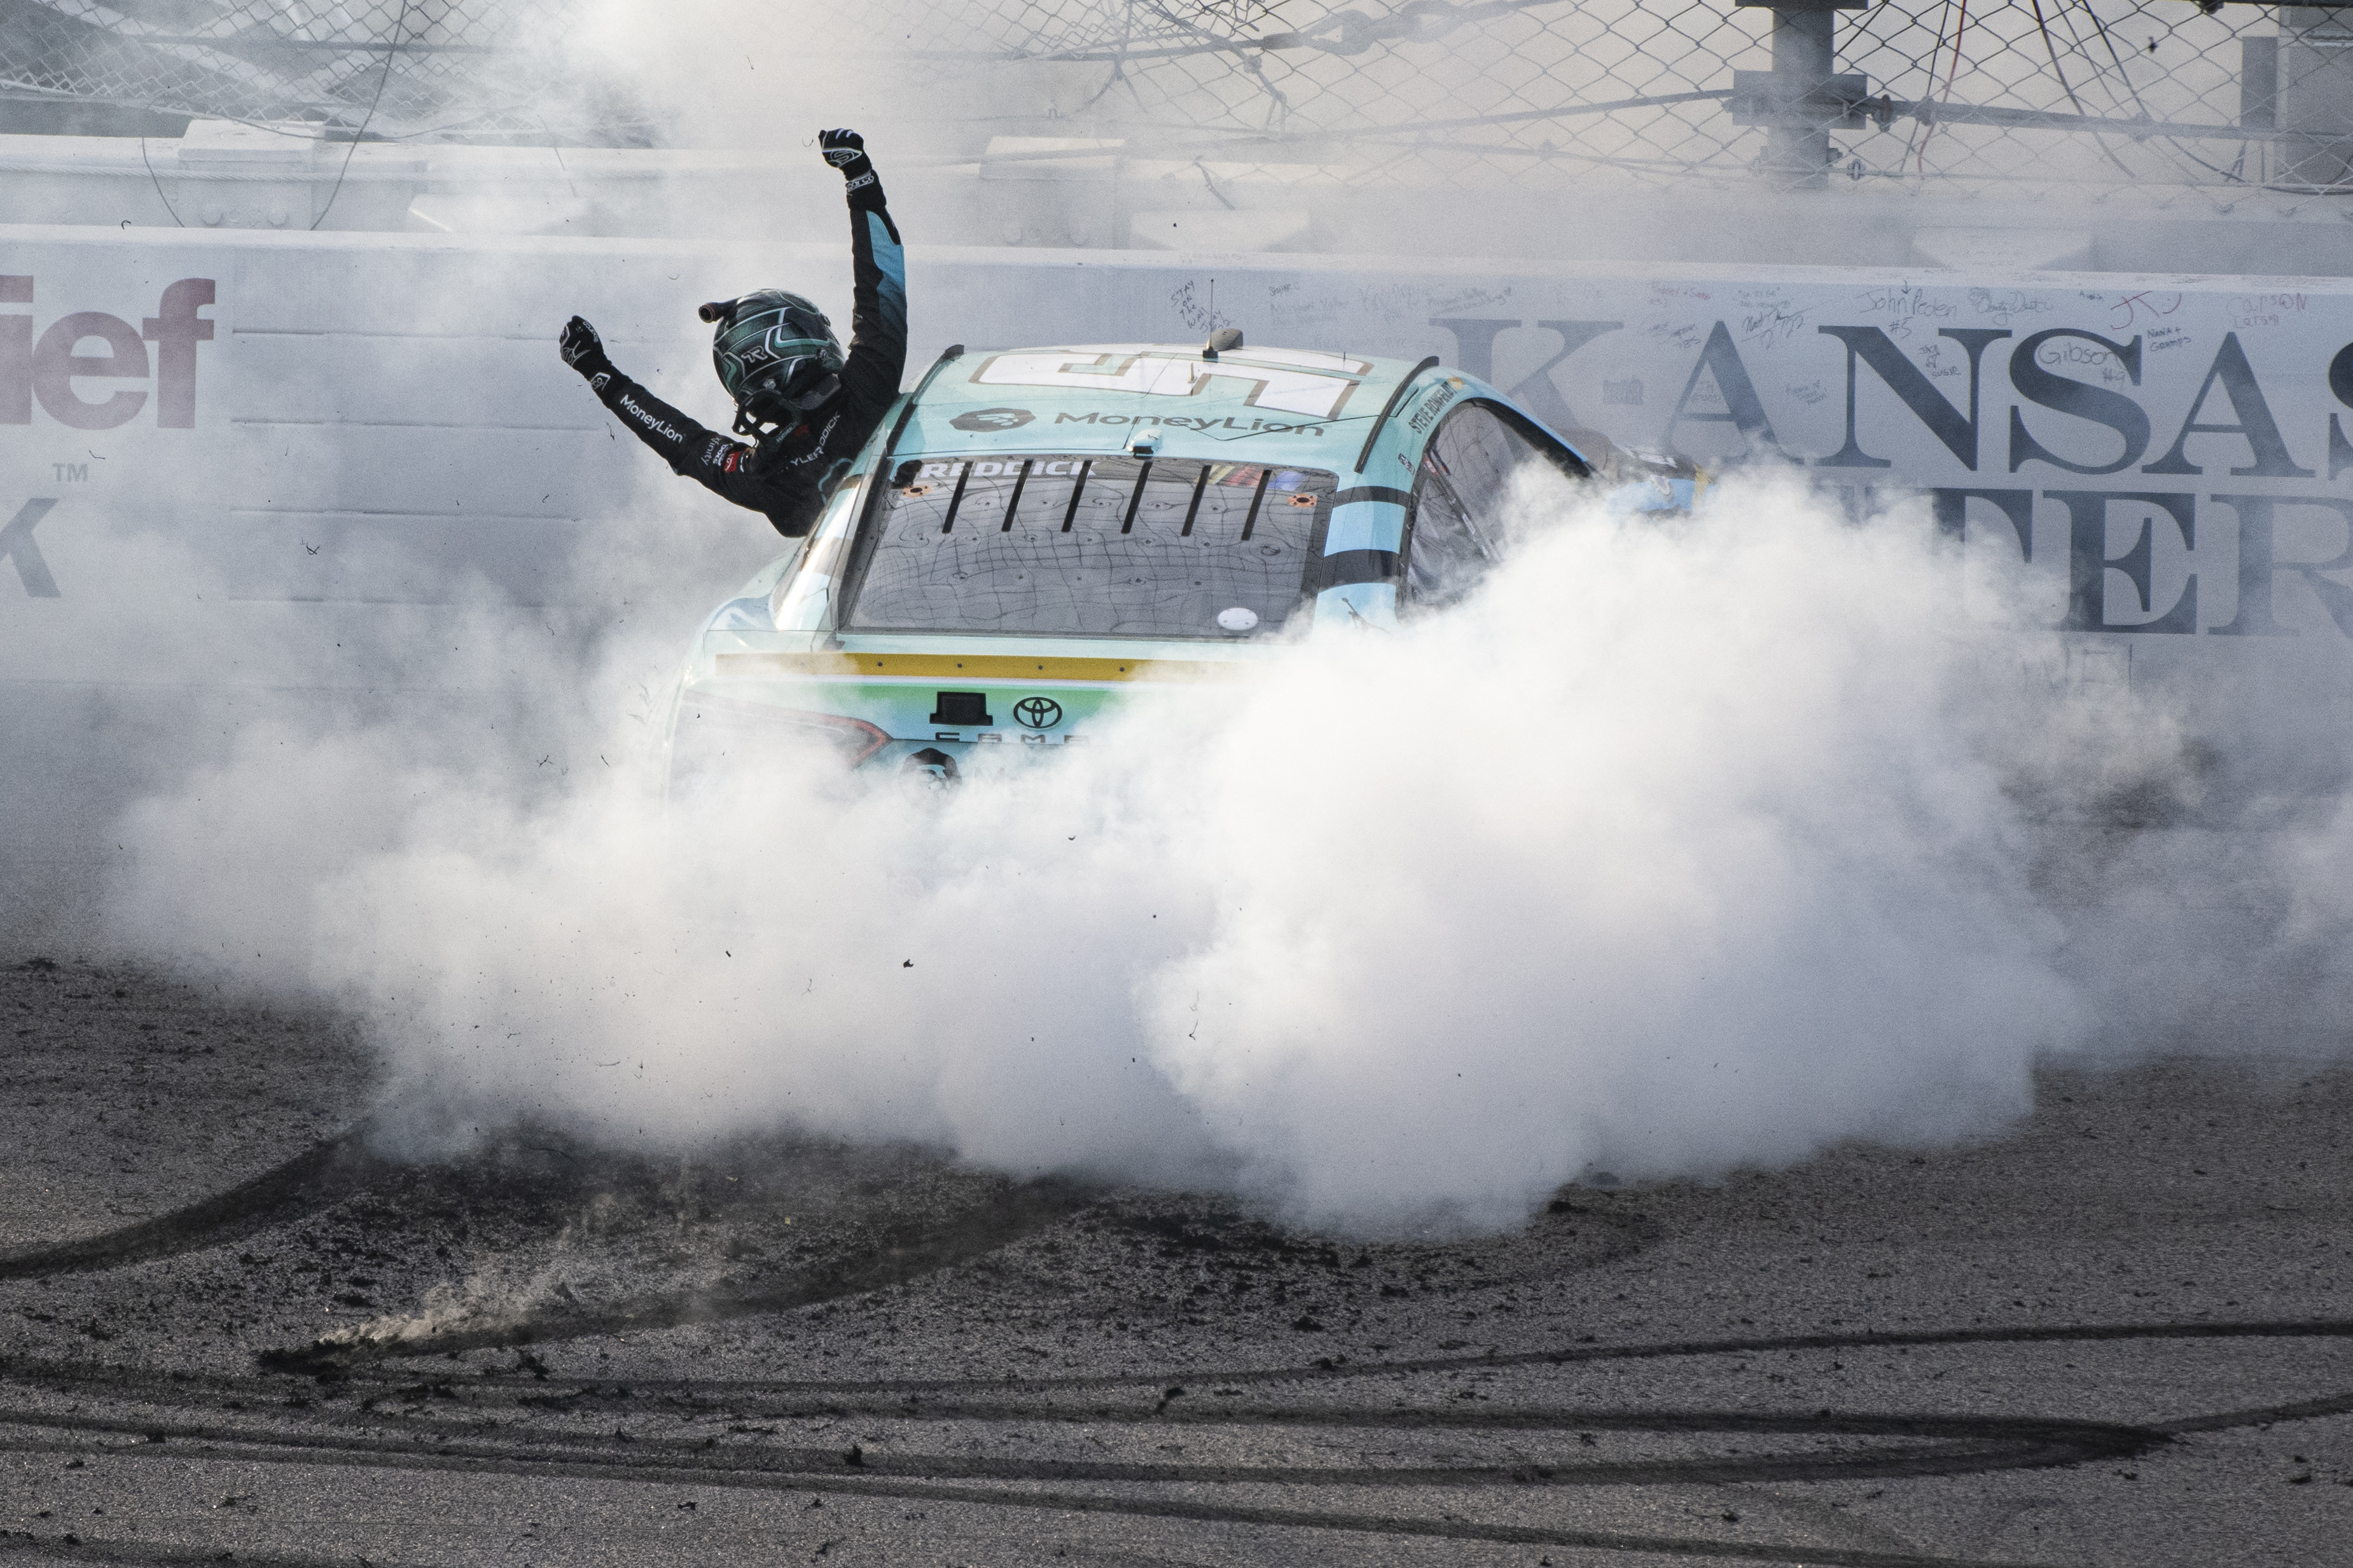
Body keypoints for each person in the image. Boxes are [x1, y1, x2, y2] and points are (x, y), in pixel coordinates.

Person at [557, 128, 906, 538]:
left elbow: (684, 444)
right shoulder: (868, 393)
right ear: (804, 338)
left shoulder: (764, 474)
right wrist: (859, 177)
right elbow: (880, 285)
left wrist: (601, 374)